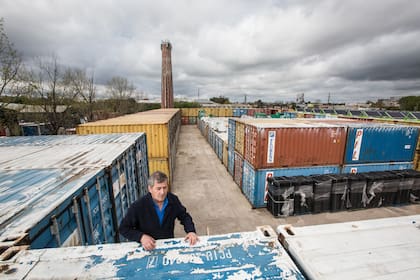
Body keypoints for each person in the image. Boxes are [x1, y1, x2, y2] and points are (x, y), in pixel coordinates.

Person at [119, 171, 199, 250]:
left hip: (167, 247)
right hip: (146, 249)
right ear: (150, 189)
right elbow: (124, 228)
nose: (162, 192)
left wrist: (191, 231)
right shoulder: (139, 206)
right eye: (158, 188)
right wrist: (141, 237)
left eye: (165, 188)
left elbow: (184, 217)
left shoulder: (173, 200)